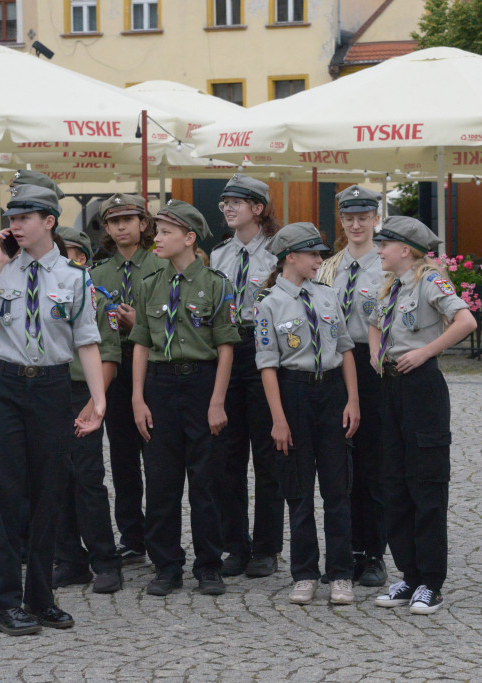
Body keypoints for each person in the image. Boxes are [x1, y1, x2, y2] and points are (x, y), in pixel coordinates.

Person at [0, 184, 105, 636]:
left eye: (25, 218)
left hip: (51, 386)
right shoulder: (1, 269)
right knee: (1, 491)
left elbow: (87, 340)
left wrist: (99, 400)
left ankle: (40, 598)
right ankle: (4, 603)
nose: (16, 225)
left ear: (49, 221)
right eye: (12, 218)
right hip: (5, 385)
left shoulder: (74, 276)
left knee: (50, 492)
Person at [129, 199, 239, 597]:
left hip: (201, 384)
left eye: (165, 232)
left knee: (207, 480)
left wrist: (217, 401)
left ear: (189, 238)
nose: (156, 239)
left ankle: (209, 565)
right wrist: (138, 398)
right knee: (161, 480)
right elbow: (141, 343)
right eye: (156, 232)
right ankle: (166, 565)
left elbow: (225, 347)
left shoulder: (216, 284)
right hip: (160, 385)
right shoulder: (149, 285)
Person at [368, 216, 477, 615]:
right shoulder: (390, 286)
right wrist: (375, 354)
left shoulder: (430, 281)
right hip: (391, 385)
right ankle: (409, 576)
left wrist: (426, 352)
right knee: (394, 483)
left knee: (426, 484)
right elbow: (373, 325)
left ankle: (431, 581)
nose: (379, 250)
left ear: (406, 250)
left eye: (384, 244)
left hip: (422, 387)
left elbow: (466, 320)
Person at [255, 222, 360, 605]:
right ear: (290, 257)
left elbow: (345, 348)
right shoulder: (268, 304)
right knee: (298, 491)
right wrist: (278, 419)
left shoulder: (328, 295)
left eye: (320, 253)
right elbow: (267, 365)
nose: (319, 260)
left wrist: (353, 400)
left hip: (331, 393)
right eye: (312, 254)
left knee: (337, 489)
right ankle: (305, 573)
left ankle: (341, 573)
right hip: (293, 393)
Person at [209, 174, 285, 578]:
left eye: (237, 202)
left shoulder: (277, 252)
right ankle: (235, 545)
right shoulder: (219, 255)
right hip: (227, 351)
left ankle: (267, 548)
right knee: (227, 456)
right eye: (225, 202)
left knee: (269, 454)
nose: (228, 208)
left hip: (265, 350)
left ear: (258, 209)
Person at [317, 184, 388, 587]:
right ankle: (343, 553)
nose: (356, 225)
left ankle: (374, 553)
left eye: (363, 218)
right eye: (349, 218)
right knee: (336, 465)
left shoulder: (388, 265)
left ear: (376, 219)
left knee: (371, 463)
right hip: (333, 363)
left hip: (371, 362)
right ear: (341, 221)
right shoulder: (328, 267)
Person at [51, 226, 124, 594]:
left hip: (82, 391)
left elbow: (108, 355)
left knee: (87, 479)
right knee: (53, 479)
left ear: (83, 260)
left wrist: (93, 404)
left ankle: (106, 561)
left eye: (68, 254)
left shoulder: (96, 298)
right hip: (46, 390)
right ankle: (69, 560)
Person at [91, 193, 163, 564]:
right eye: (113, 222)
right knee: (122, 458)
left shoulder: (161, 265)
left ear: (143, 224)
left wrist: (139, 325)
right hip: (115, 368)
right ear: (106, 228)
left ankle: (161, 538)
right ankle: (132, 536)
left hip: (156, 369)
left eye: (128, 220)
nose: (121, 227)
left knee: (159, 458)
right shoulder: (97, 274)